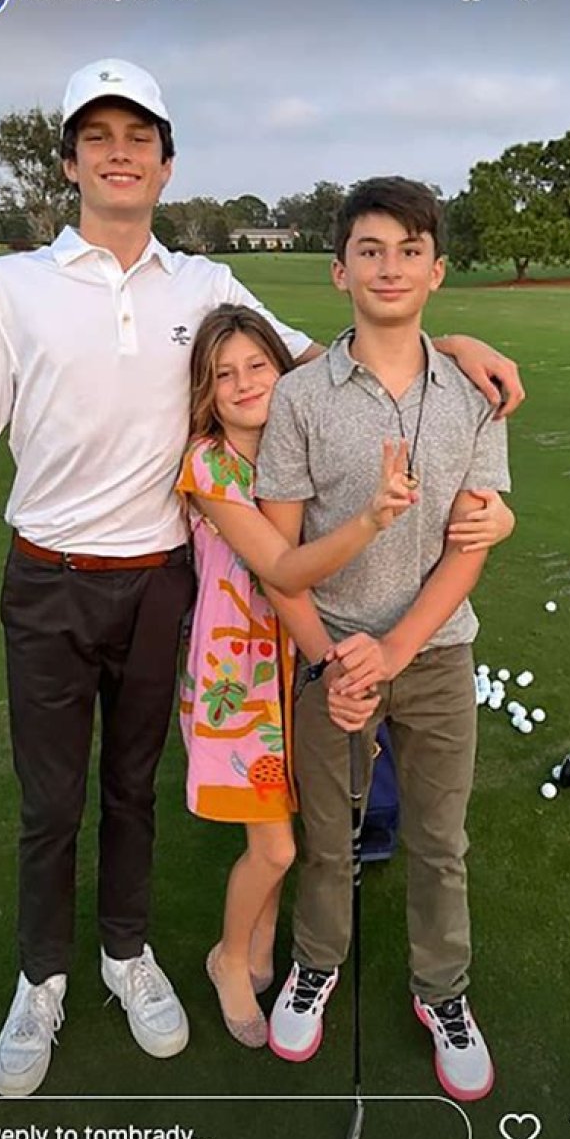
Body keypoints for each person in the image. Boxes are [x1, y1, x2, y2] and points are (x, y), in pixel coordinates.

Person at [0, 57, 521, 1097]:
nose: (120, 154)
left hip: (164, 583)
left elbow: (330, 354)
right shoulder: (9, 286)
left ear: (166, 163)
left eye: (140, 138)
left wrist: (456, 340)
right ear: (68, 160)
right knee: (51, 801)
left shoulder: (204, 284)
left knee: (133, 790)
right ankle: (41, 980)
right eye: (98, 137)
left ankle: (126, 957)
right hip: (49, 579)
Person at [256, 176, 514, 1101]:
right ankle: (315, 964)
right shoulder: (298, 398)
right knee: (328, 840)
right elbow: (278, 560)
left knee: (441, 841)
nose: (390, 267)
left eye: (410, 251)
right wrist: (332, 661)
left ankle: (442, 990)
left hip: (435, 653)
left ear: (438, 271)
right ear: (339, 271)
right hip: (330, 655)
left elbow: (470, 545)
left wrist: (395, 650)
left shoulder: (474, 394)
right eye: (370, 250)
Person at [176, 304, 425, 1048]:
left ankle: (259, 950)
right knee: (276, 847)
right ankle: (228, 957)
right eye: (224, 375)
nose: (244, 383)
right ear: (207, 392)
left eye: (258, 365)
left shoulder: (298, 447)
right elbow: (281, 567)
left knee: (286, 823)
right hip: (237, 680)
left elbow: (379, 353)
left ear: (283, 371)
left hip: (297, 665)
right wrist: (370, 519)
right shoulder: (209, 464)